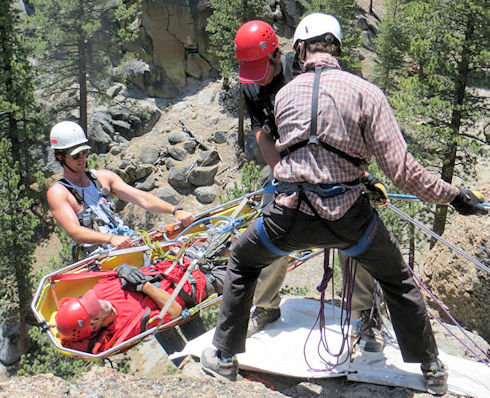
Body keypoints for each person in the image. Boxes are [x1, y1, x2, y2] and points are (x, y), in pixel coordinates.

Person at [201, 13, 487, 395]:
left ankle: (223, 355)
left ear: (299, 50)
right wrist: (454, 196)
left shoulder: (285, 95)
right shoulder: (366, 93)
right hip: (351, 218)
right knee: (397, 278)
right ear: (337, 48)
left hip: (290, 216)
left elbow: (294, 155)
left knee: (242, 259)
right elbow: (403, 170)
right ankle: (431, 367)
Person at [235, 20, 386, 352]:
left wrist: (360, 176)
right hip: (287, 166)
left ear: (277, 55)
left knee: (354, 231)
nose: (258, 76)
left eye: (262, 68)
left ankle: (365, 313)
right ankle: (266, 306)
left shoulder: (302, 68)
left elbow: (338, 124)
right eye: (251, 70)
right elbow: (263, 134)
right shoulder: (248, 84)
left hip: (330, 167)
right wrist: (285, 177)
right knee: (269, 229)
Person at [46, 120, 203, 357]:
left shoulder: (102, 178)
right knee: (149, 310)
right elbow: (74, 231)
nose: (82, 158)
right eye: (75, 154)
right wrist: (109, 239)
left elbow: (140, 198)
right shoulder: (59, 192)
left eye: (85, 152)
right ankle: (183, 359)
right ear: (61, 157)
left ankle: (204, 346)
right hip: (108, 264)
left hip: (133, 251)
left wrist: (174, 210)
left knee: (176, 288)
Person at [56, 258, 226, 354]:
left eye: (91, 300)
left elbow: (115, 272)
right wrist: (144, 286)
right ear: (94, 325)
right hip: (199, 282)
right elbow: (174, 312)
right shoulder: (130, 325)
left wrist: (123, 269)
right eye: (96, 308)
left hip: (179, 263)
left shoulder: (99, 291)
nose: (100, 302)